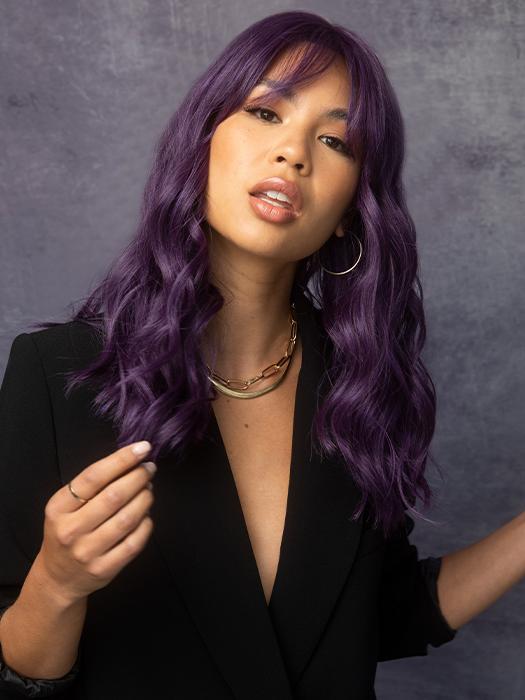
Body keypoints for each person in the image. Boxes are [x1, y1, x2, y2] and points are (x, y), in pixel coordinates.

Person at [3, 9, 522, 700]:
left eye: (334, 140)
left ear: (350, 209)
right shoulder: (57, 375)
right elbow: (19, 675)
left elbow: (384, 616)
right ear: (201, 143)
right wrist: (57, 583)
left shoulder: (364, 392)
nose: (294, 153)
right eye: (266, 112)